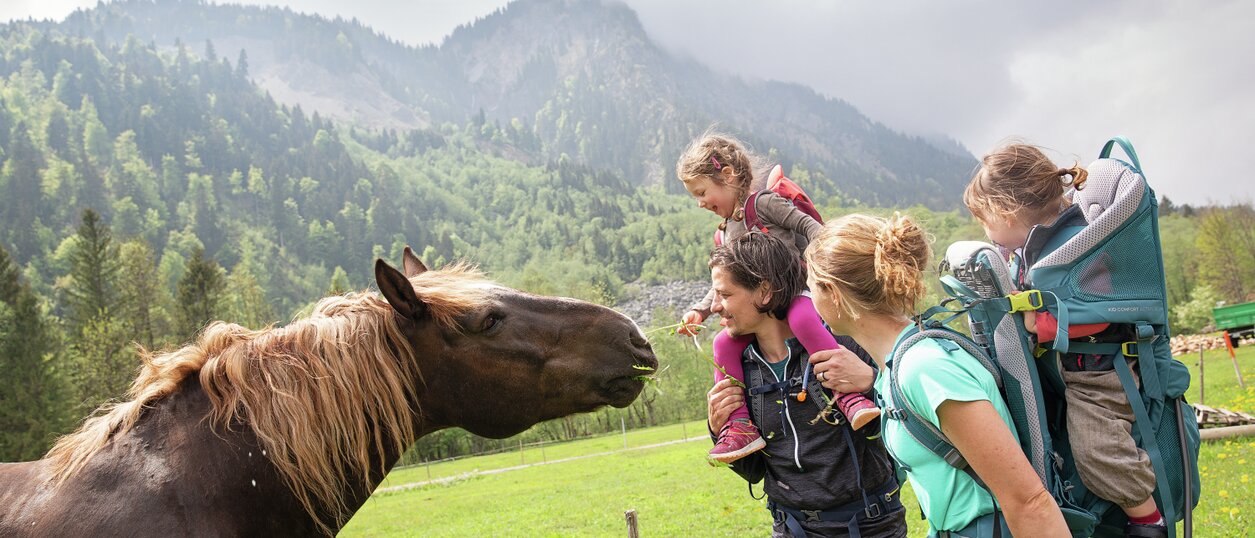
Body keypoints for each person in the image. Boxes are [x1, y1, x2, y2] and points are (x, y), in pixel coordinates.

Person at [804, 213, 1069, 537]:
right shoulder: (896, 367)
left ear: (832, 292)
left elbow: (1029, 502)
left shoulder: (926, 369)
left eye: (811, 287)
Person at [963, 143, 1166, 538]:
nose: (985, 231)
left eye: (983, 219)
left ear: (1004, 212)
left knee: (1098, 452)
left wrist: (1038, 323)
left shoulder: (1077, 245)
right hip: (1069, 371)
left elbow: (1101, 310)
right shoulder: (1033, 248)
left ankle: (1148, 521)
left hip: (1099, 376)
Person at [677, 131, 879, 465]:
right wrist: (700, 312)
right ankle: (738, 423)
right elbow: (723, 282)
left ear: (727, 176)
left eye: (701, 192)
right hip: (760, 306)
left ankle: (847, 394)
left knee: (801, 318)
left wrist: (826, 267)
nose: (699, 202)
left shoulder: (765, 204)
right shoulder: (724, 233)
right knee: (723, 345)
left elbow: (811, 228)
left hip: (795, 291)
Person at [705, 232, 907, 538]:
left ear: (764, 291)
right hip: (790, 527)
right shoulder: (739, 369)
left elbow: (902, 428)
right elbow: (755, 471)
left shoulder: (844, 346)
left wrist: (871, 384)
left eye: (725, 294)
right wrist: (717, 427)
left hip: (869, 525)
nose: (715, 306)